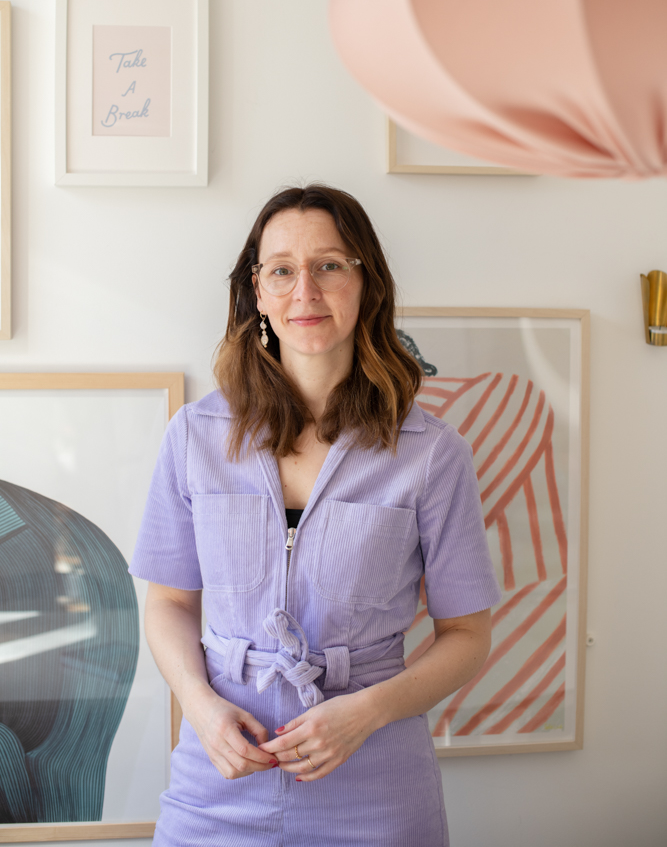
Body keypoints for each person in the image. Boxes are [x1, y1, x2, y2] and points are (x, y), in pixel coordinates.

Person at [129, 184, 501, 847]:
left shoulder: (431, 453)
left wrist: (366, 713)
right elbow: (169, 603)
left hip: (375, 782)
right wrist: (201, 707)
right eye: (281, 270)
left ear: (367, 283)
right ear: (257, 291)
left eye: (329, 265)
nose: (305, 290)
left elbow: (467, 634)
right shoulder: (193, 436)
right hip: (220, 775)